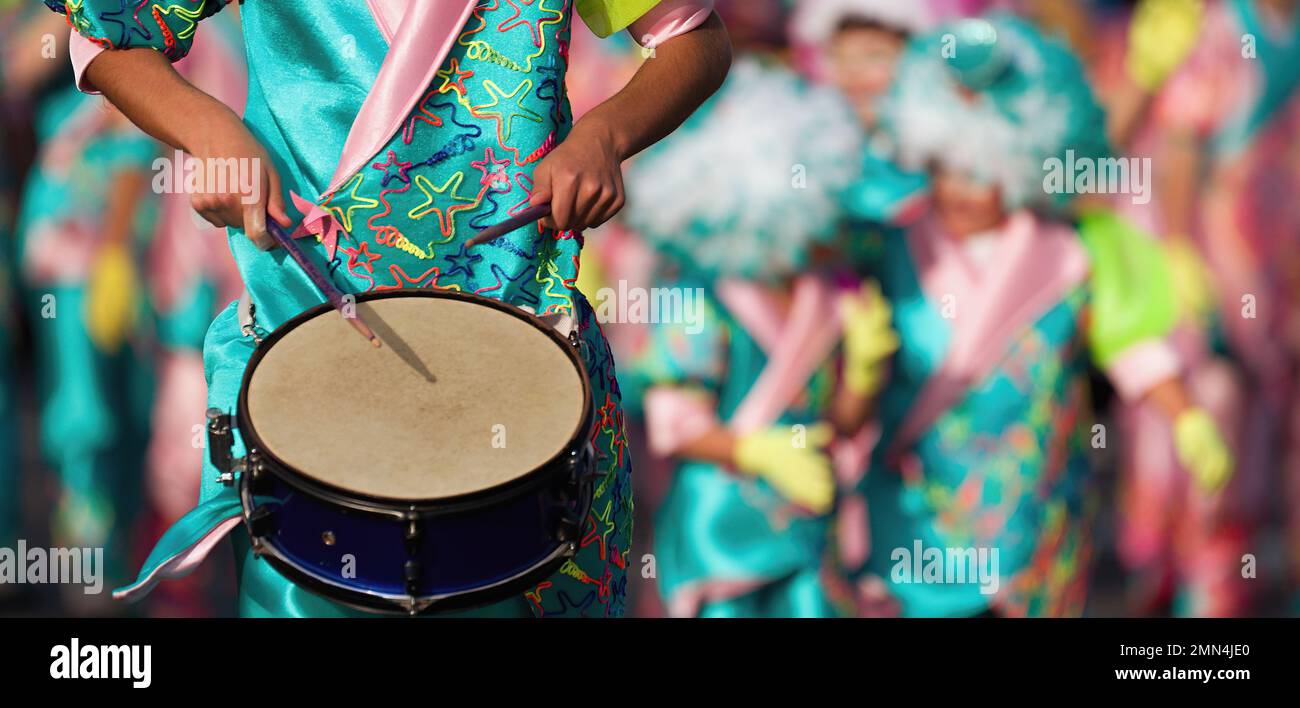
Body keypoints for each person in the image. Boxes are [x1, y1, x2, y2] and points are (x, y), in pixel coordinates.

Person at [45, 0, 732, 618]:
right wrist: (209, 130)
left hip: (517, 375)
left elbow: (692, 41)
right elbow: (109, 37)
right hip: (306, 361)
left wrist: (606, 136)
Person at [832, 15, 1235, 617]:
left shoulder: (1072, 253)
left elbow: (1128, 346)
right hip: (916, 521)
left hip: (1034, 523)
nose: (963, 191)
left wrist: (1184, 418)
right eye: (947, 167)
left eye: (983, 172)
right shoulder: (884, 249)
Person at [621, 0, 867, 616]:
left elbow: (840, 420)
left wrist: (863, 373)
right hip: (722, 535)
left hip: (810, 532)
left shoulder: (831, 294)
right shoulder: (699, 295)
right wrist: (755, 451)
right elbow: (675, 423)